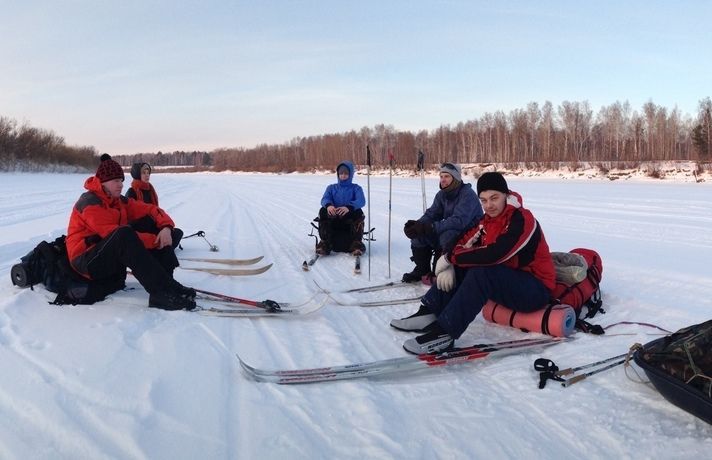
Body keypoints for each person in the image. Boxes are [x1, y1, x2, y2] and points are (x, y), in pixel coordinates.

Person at [391, 171, 556, 354]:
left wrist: (450, 259)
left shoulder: (523, 219)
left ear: (506, 195)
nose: (489, 205)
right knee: (466, 266)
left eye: (494, 198)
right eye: (483, 200)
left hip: (535, 289)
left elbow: (497, 254)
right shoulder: (486, 221)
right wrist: (451, 262)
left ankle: (445, 333)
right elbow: (461, 240)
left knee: (481, 272)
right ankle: (429, 312)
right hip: (509, 283)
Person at [66, 154, 196, 311]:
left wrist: (166, 228)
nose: (120, 185)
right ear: (102, 182)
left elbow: (151, 209)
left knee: (152, 223)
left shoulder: (118, 200)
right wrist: (157, 240)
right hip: (85, 261)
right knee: (124, 235)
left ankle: (168, 283)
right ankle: (160, 292)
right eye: (116, 181)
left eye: (121, 180)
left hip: (106, 255)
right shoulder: (90, 203)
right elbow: (115, 235)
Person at [402, 163, 483, 283]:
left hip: (470, 235)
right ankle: (422, 269)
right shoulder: (442, 195)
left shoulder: (467, 195)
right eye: (441, 176)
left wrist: (432, 227)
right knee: (419, 236)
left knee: (446, 234)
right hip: (451, 230)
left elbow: (459, 221)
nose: (443, 180)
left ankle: (442, 271)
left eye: (447, 176)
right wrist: (418, 226)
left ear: (455, 178)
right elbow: (432, 214)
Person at [126, 161, 183, 248]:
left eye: (148, 172)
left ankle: (159, 246)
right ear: (137, 174)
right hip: (139, 228)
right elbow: (129, 218)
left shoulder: (150, 190)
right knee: (150, 223)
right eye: (143, 173)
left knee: (178, 233)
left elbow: (156, 211)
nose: (147, 175)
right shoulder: (132, 191)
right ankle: (160, 247)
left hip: (152, 224)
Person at [315, 161, 367, 256]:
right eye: (341, 173)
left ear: (350, 174)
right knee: (323, 210)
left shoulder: (356, 188)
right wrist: (329, 205)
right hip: (334, 218)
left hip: (348, 219)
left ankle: (356, 244)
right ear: (338, 174)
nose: (343, 175)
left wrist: (349, 207)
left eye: (346, 173)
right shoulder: (331, 188)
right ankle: (325, 243)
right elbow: (325, 199)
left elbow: (361, 200)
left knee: (359, 212)